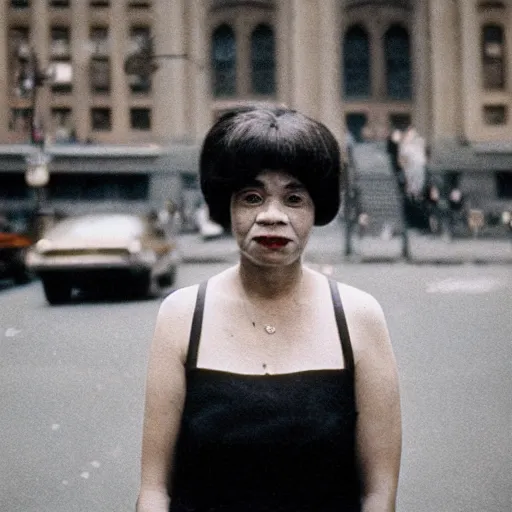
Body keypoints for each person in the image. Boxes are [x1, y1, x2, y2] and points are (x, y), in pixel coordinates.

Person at [136, 107, 402, 512]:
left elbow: (378, 494)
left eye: (294, 198)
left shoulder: (359, 317)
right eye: (252, 197)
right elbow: (155, 490)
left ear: (317, 209)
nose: (271, 216)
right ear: (228, 206)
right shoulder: (182, 315)